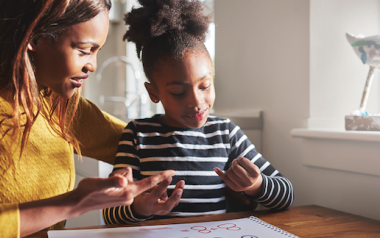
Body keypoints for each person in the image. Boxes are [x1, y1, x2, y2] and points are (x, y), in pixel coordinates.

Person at [0, 0, 180, 237]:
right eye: (84, 50)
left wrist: (229, 159)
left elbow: (147, 143)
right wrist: (76, 202)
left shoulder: (55, 101)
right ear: (33, 38)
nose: (92, 66)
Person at [102, 0, 294, 225]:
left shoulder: (226, 133)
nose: (197, 101)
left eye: (205, 86)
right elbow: (109, 213)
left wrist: (256, 185)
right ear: (153, 92)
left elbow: (286, 195)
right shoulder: (137, 134)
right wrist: (138, 208)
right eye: (178, 92)